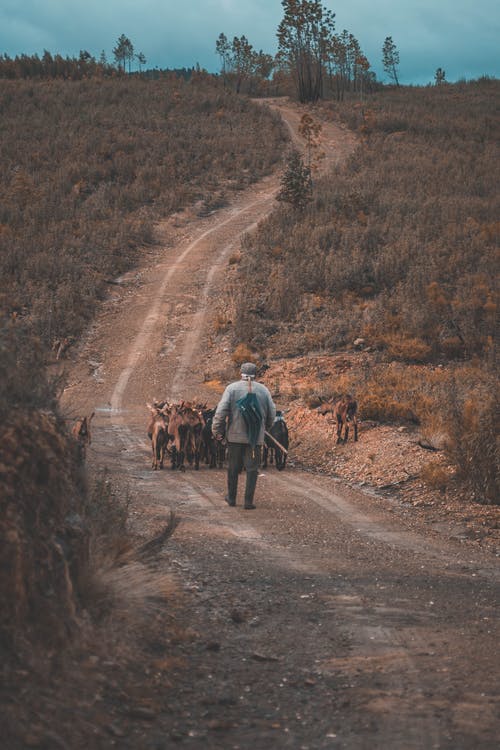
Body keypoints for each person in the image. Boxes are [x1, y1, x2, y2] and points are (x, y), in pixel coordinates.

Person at [212, 362, 276, 509]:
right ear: (256, 374)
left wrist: (217, 432)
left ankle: (232, 498)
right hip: (255, 439)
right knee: (252, 469)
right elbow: (272, 413)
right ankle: (248, 501)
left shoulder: (231, 389)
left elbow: (220, 412)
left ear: (240, 373)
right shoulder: (264, 390)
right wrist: (263, 429)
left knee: (233, 468)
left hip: (234, 437)